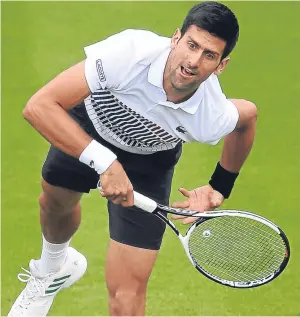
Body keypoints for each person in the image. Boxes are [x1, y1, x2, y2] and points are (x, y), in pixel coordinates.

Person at [8, 1, 257, 316]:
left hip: (149, 163)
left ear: (221, 65)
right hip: (90, 126)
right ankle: (52, 269)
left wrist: (218, 187)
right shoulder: (130, 53)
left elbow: (247, 118)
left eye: (209, 55)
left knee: (126, 302)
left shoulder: (211, 114)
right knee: (54, 203)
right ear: (176, 38)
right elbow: (39, 106)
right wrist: (106, 163)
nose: (193, 61)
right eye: (191, 45)